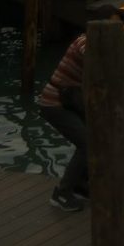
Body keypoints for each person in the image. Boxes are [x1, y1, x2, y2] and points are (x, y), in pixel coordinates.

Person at [38, 34, 88, 212]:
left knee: (92, 140)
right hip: (54, 104)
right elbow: (91, 55)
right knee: (87, 144)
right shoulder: (85, 41)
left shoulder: (95, 42)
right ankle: (61, 193)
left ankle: (80, 186)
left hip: (68, 102)